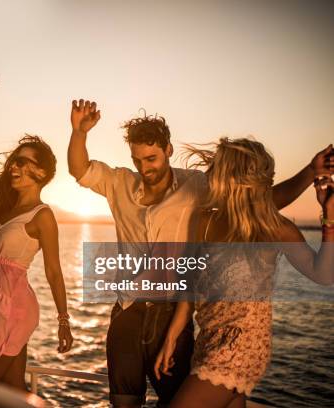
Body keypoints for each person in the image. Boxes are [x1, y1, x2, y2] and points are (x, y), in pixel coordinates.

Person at [67, 99, 333, 407]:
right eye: (137, 159)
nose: (144, 167)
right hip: (134, 311)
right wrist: (78, 132)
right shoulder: (126, 184)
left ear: (168, 150)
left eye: (151, 158)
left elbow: (258, 201)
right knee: (124, 402)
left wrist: (312, 177)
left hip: (193, 326)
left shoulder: (197, 187)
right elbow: (79, 169)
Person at [154, 138, 333, 408]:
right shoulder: (203, 220)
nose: (209, 172)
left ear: (232, 178)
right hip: (208, 341)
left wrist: (329, 217)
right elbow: (188, 286)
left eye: (217, 166)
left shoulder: (271, 228)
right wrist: (171, 339)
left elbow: (323, 274)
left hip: (242, 347)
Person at [0, 123, 74, 390]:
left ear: (41, 172)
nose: (13, 167)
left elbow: (53, 271)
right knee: (13, 391)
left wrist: (63, 320)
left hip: (11, 309)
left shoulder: (42, 216)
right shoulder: (5, 203)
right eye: (14, 160)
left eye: (23, 162)